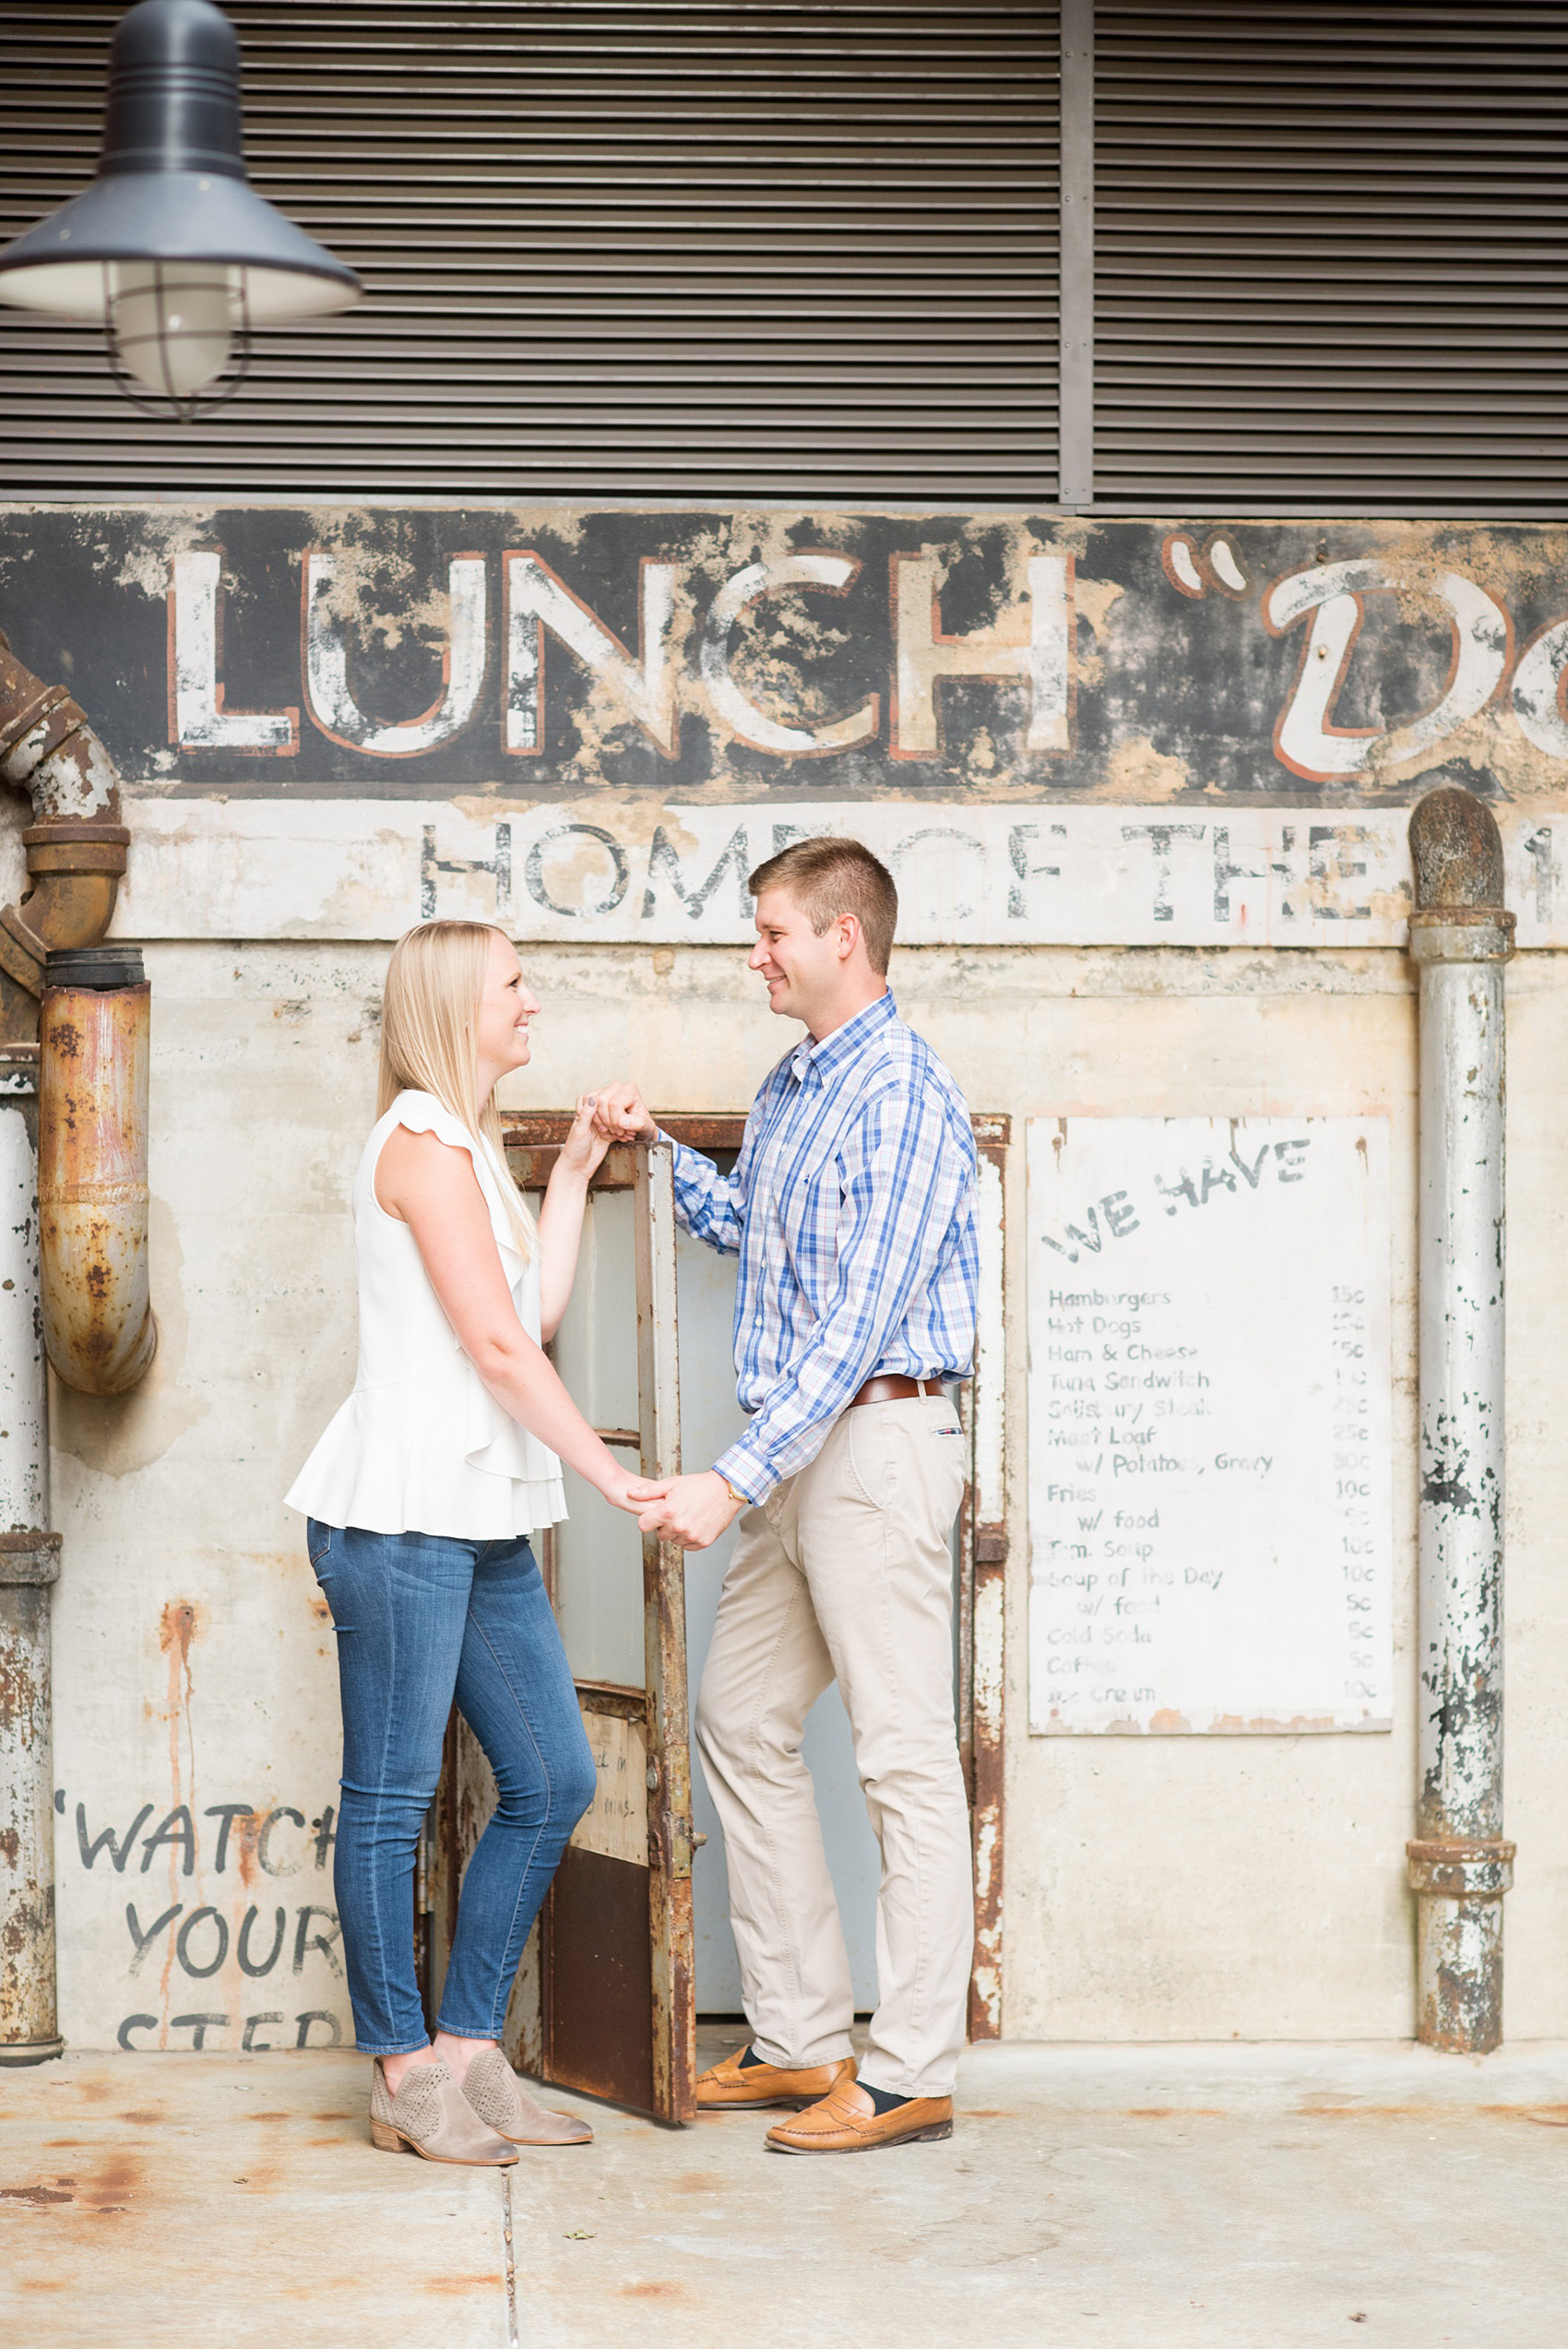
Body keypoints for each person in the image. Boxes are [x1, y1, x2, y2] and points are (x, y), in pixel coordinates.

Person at [601, 836, 979, 2154]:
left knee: (902, 1759)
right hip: (804, 1450)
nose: (754, 953)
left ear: (843, 940)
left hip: (874, 1445)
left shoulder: (904, 1097)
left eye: (771, 932)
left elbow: (863, 1316)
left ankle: (912, 2068)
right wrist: (653, 1153)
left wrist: (727, 1479)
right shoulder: (796, 1085)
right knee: (740, 1712)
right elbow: (752, 1229)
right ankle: (803, 2033)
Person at [287, 919, 666, 2168]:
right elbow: (504, 1354)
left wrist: (572, 1166)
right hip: (399, 1515)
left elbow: (531, 1311)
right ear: (458, 1002)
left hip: (473, 1511)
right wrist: (607, 1470)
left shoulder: (475, 1148)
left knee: (553, 1775)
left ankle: (465, 2049)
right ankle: (403, 2070)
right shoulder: (420, 1142)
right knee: (391, 1804)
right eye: (515, 984)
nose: (533, 1002)